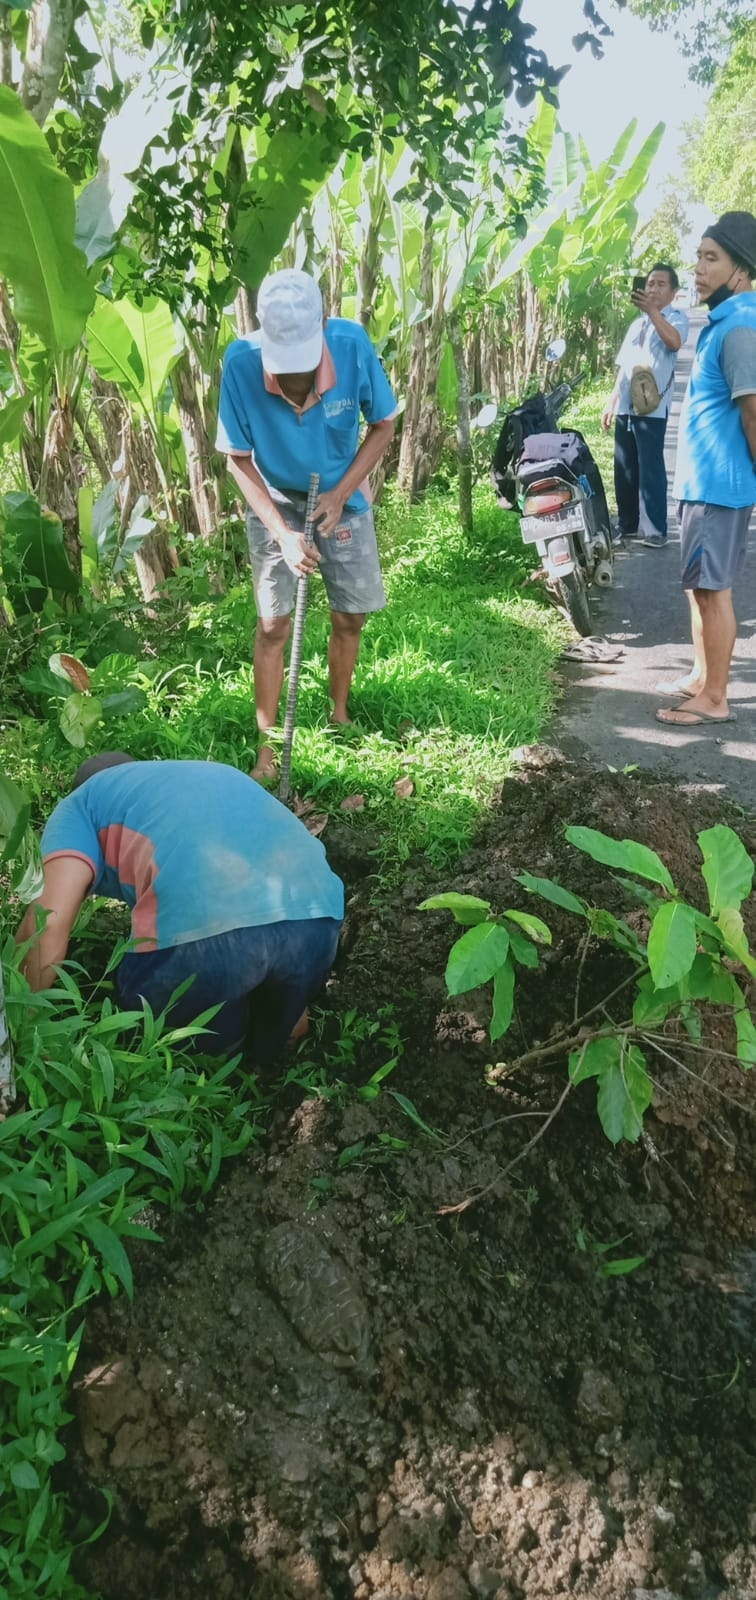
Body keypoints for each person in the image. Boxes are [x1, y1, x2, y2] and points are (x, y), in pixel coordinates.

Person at [15, 753, 344, 1062]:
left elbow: (46, 922)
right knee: (277, 1026)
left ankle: (218, 1061)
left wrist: (17, 1027)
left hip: (211, 932)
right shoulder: (194, 777)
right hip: (319, 913)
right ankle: (282, 1036)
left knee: (161, 1025)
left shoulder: (81, 805)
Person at [216, 269, 397, 782]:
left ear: (321, 327)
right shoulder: (241, 363)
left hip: (342, 494)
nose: (296, 386)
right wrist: (282, 533)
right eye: (285, 373)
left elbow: (383, 424)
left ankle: (338, 716)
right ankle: (267, 752)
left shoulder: (352, 344)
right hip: (274, 497)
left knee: (350, 615)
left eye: (304, 370)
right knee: (274, 623)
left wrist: (341, 496)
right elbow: (237, 458)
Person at [656, 212, 756, 728]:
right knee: (701, 586)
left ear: (742, 268)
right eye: (698, 256)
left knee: (714, 591)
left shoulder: (739, 327)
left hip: (719, 483)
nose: (698, 268)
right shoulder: (725, 321)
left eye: (711, 258)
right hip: (704, 481)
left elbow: (753, 410)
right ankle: (702, 676)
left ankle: (715, 697)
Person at [601, 263, 689, 548]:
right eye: (650, 283)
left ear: (673, 292)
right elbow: (624, 367)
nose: (653, 288)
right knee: (624, 466)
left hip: (651, 407)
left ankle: (656, 531)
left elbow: (674, 343)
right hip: (627, 406)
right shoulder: (637, 324)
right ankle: (627, 526)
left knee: (650, 466)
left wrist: (654, 313)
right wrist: (612, 400)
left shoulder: (676, 318)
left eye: (661, 284)